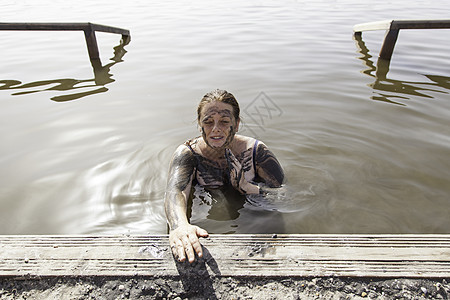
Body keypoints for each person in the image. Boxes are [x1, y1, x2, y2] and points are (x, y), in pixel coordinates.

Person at [164, 89, 284, 263]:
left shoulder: (255, 152)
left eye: (224, 122)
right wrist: (180, 225)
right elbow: (175, 192)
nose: (216, 130)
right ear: (199, 124)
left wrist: (247, 187)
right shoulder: (188, 154)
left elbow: (286, 196)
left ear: (236, 124)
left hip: (252, 216)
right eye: (208, 122)